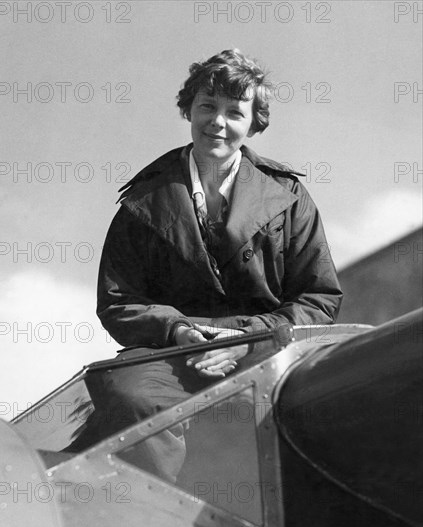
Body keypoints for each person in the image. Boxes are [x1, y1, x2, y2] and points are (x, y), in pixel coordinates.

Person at [67, 49, 342, 480]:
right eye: (207, 107)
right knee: (127, 393)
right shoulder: (141, 202)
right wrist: (177, 331)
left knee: (333, 400)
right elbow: (119, 300)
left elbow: (319, 298)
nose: (218, 122)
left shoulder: (289, 197)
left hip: (267, 347)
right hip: (171, 352)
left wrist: (246, 339)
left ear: (254, 122)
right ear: (188, 110)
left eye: (235, 112)